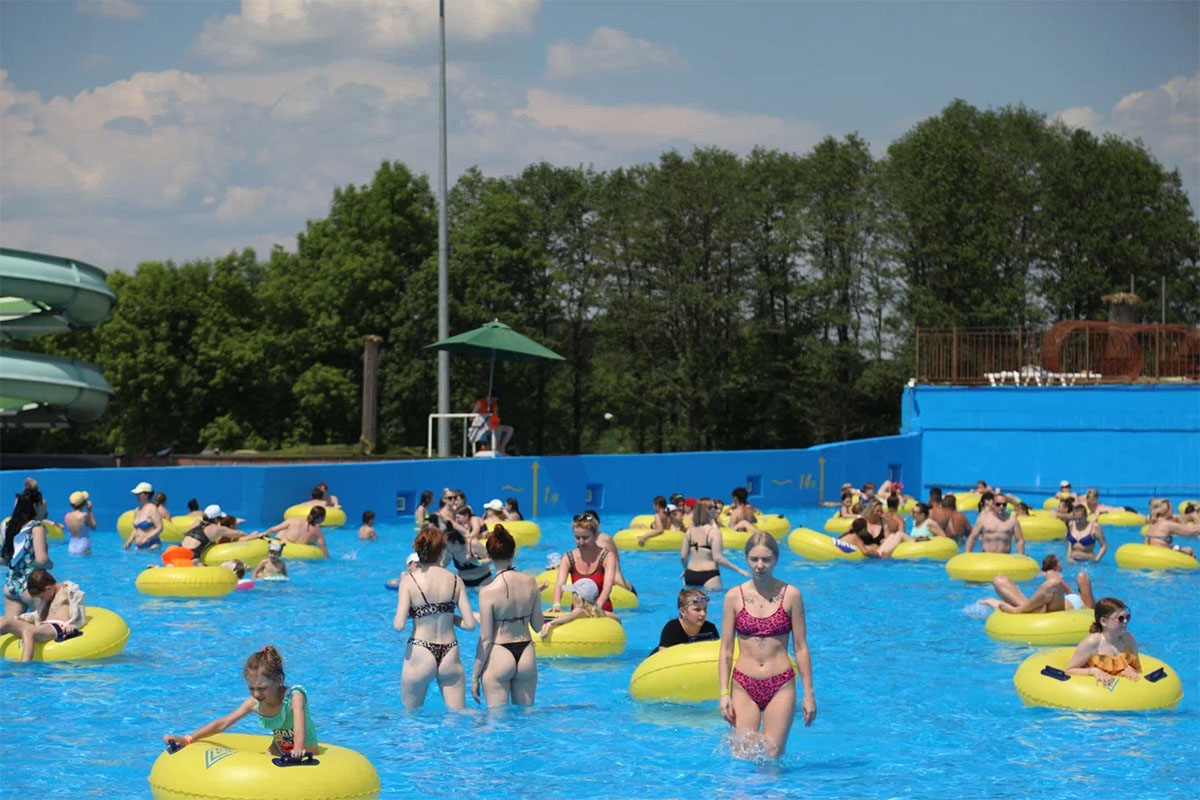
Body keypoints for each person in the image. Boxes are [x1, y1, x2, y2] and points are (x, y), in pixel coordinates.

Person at [718, 533, 816, 759]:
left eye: (766, 559)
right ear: (746, 559)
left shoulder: (791, 595)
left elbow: (801, 647)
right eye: (754, 559)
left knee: (772, 758)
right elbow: (726, 650)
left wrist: (808, 694)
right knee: (742, 756)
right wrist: (724, 693)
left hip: (780, 683)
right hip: (744, 683)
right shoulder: (734, 597)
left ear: (776, 559)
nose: (760, 565)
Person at [164, 646, 317, 760]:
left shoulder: (294, 697)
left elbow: (299, 728)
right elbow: (222, 724)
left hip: (305, 750)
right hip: (278, 749)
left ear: (278, 680)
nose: (257, 694)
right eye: (252, 688)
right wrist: (187, 739)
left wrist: (297, 750)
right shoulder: (254, 703)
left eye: (262, 688)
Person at [394, 525, 476, 710]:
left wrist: (418, 612)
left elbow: (398, 625)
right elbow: (470, 624)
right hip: (450, 651)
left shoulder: (409, 580)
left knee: (411, 719)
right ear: (442, 551)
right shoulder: (456, 580)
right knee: (458, 717)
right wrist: (447, 615)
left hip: (420, 650)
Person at [471, 525, 543, 707]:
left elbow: (486, 639)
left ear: (490, 555)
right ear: (513, 552)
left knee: (497, 723)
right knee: (526, 720)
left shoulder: (488, 592)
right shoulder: (531, 583)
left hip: (499, 653)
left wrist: (474, 677)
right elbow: (537, 625)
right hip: (526, 652)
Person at [1065, 598, 1140, 690]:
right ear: (1104, 621)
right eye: (1120, 618)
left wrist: (1129, 671)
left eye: (1127, 617)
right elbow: (1069, 670)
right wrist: (1094, 671)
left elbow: (1138, 668)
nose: (1125, 621)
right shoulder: (1093, 642)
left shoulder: (1128, 639)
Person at [3, 487, 54, 618]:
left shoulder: (10, 526)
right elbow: (41, 559)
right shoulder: (37, 527)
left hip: (11, 586)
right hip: (32, 587)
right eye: (43, 504)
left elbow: (4, 559)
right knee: (42, 625)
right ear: (35, 506)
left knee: (9, 626)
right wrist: (50, 564)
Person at [981, 555, 1095, 613]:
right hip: (1039, 605)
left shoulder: (1086, 606)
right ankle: (1024, 609)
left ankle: (1017, 610)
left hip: (1054, 608)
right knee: (999, 579)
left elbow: (1091, 609)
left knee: (1053, 584)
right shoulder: (1072, 594)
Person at [552, 515, 618, 613]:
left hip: (603, 611)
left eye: (585, 537)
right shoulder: (568, 558)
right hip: (577, 612)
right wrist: (556, 604)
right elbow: (560, 584)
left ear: (596, 535)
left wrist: (597, 607)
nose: (581, 542)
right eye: (577, 538)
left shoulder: (607, 557)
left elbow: (607, 586)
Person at [680, 499, 749, 590]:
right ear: (708, 510)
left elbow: (683, 557)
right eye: (714, 507)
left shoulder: (690, 531)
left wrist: (685, 570)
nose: (716, 510)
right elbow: (718, 558)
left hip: (690, 575)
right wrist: (738, 569)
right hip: (709, 575)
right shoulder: (713, 532)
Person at [18, 569, 87, 650]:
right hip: (43, 626)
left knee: (29, 631)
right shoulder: (48, 598)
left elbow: (81, 615)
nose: (41, 599)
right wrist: (22, 618)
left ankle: (25, 662)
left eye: (41, 597)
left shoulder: (67, 591)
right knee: (5, 622)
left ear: (48, 588)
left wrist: (73, 625)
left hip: (56, 626)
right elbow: (38, 615)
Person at [540, 577, 619, 637]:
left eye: (573, 594)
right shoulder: (596, 611)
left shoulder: (580, 610)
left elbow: (570, 616)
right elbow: (616, 617)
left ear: (578, 597)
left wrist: (550, 623)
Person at [172, 505, 249, 564]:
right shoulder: (216, 529)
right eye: (220, 518)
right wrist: (250, 536)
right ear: (216, 519)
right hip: (192, 556)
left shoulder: (196, 522)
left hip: (179, 550)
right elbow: (239, 533)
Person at [653, 588, 718, 653]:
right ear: (683, 611)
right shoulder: (672, 629)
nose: (703, 614)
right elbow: (663, 655)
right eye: (697, 610)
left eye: (705, 609)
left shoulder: (710, 628)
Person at [879, 502, 948, 558]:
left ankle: (887, 552)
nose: (912, 514)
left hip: (923, 542)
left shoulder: (929, 523)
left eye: (915, 512)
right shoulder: (915, 522)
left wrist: (927, 538)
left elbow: (943, 537)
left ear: (923, 514)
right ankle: (879, 551)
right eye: (912, 511)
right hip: (915, 541)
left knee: (900, 534)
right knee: (892, 535)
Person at [446, 511, 492, 588]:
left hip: (483, 580)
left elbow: (491, 559)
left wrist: (478, 562)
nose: (445, 548)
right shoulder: (450, 550)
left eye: (447, 545)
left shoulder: (473, 544)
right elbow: (441, 564)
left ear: (456, 542)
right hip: (464, 583)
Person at [262, 507, 329, 557]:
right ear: (320, 518)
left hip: (283, 551)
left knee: (283, 531)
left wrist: (264, 534)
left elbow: (273, 530)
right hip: (299, 556)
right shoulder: (317, 532)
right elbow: (324, 551)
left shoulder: (295, 520)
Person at [125, 481, 164, 550]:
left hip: (152, 544)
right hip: (140, 545)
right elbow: (136, 528)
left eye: (139, 494)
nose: (137, 496)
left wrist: (146, 538)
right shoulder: (137, 510)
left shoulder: (152, 508)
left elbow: (159, 527)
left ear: (146, 495)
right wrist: (129, 541)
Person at [64, 490, 96, 556]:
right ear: (84, 503)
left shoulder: (67, 516)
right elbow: (94, 527)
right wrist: (90, 511)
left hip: (71, 547)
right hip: (83, 546)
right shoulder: (84, 516)